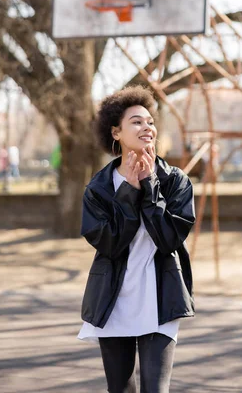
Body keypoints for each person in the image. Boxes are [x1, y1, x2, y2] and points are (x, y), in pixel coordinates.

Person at [77, 85, 195, 393]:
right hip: (114, 298)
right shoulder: (99, 188)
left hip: (161, 296)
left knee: (156, 389)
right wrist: (128, 190)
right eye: (137, 122)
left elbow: (169, 239)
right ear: (116, 132)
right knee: (120, 389)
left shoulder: (175, 181)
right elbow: (110, 244)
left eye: (150, 121)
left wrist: (149, 185)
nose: (147, 127)